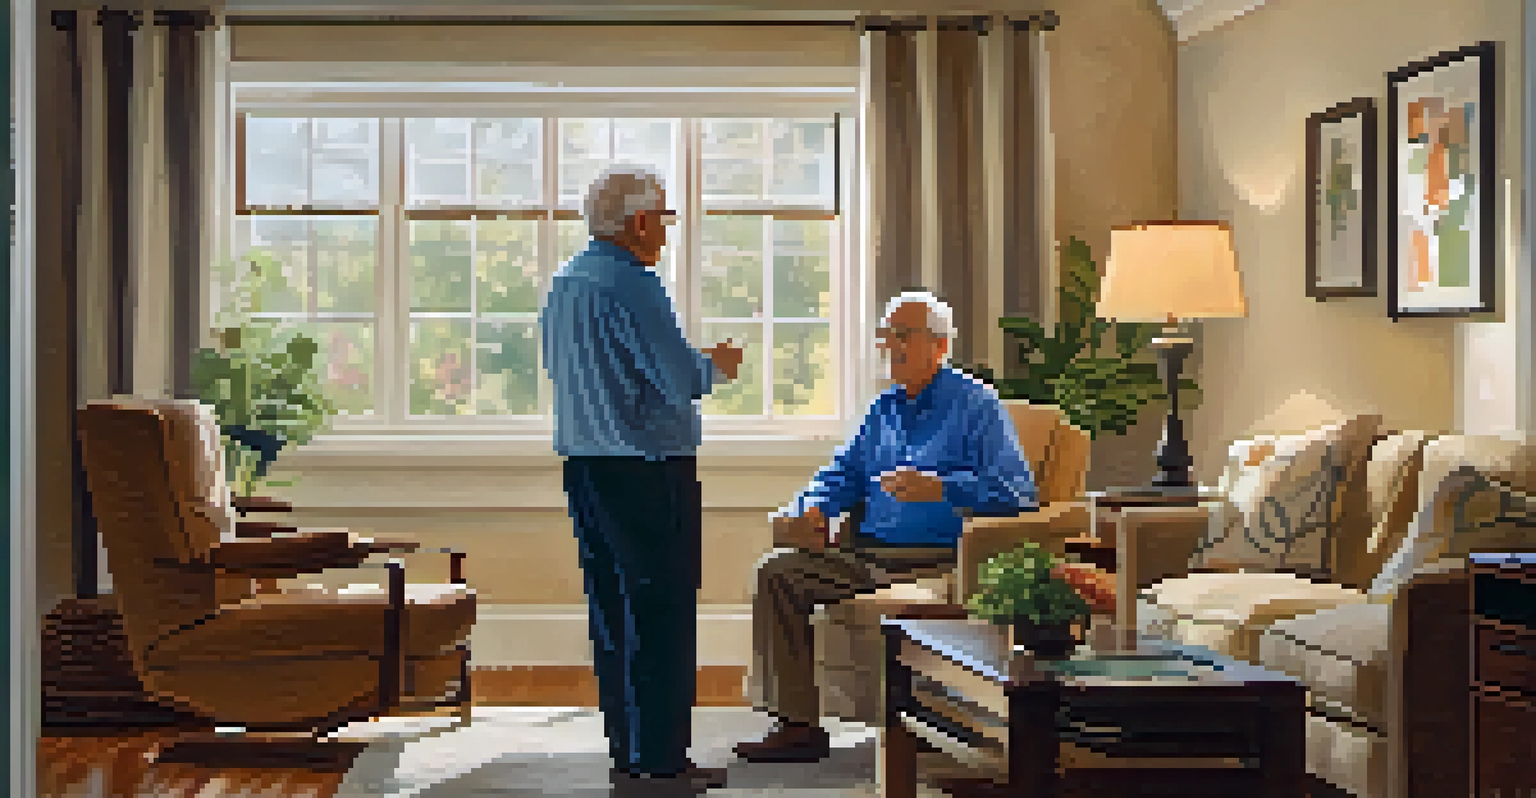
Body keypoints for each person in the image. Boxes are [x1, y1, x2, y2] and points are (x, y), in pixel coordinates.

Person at [734, 290, 1038, 763]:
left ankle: (937, 721)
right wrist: (807, 509)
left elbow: (1018, 495)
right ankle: (796, 725)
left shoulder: (978, 406)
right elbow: (840, 474)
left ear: (939, 346)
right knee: (777, 572)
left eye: (903, 335)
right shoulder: (882, 410)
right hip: (867, 556)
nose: (889, 345)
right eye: (885, 335)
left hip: (939, 563)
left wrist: (941, 488)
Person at [541, 165, 744, 793]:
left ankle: (629, 751)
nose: (665, 229)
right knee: (661, 614)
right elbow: (680, 378)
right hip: (648, 472)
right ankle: (663, 763)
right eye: (663, 216)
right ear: (638, 222)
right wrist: (719, 366)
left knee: (612, 610)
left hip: (585, 469)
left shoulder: (567, 284)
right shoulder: (634, 284)